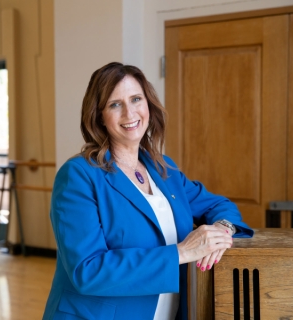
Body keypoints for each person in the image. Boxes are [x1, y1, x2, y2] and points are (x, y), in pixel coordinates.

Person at [43, 62, 253, 320]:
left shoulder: (164, 169)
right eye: (114, 104)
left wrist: (222, 230)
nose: (129, 113)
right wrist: (183, 252)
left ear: (148, 106)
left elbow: (218, 205)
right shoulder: (78, 176)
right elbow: (88, 270)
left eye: (136, 99)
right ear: (99, 116)